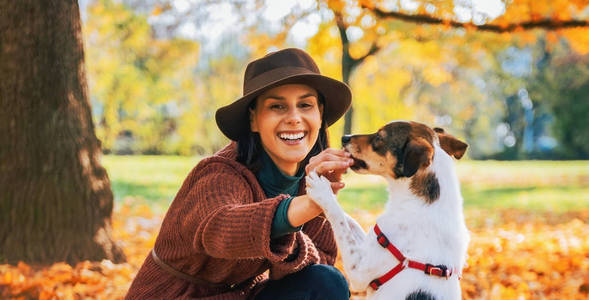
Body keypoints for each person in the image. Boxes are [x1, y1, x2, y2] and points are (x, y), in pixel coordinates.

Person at [126, 48, 354, 299]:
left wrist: (312, 207)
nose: (294, 117)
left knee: (325, 280)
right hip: (175, 295)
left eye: (305, 105)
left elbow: (317, 266)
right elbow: (220, 230)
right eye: (277, 106)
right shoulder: (219, 174)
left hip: (244, 295)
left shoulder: (311, 180)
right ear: (253, 119)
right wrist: (307, 205)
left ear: (320, 115)